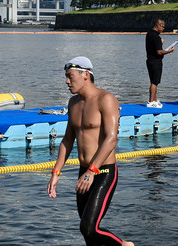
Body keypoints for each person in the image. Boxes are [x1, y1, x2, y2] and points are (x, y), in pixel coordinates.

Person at [47, 57, 134, 246]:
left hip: (103, 172)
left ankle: (124, 245)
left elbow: (111, 139)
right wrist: (56, 173)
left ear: (85, 75)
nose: (66, 81)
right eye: (66, 77)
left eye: (70, 77)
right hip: (84, 171)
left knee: (89, 227)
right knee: (88, 234)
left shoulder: (106, 99)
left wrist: (91, 170)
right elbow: (68, 140)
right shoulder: (73, 103)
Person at [145, 18, 173, 108]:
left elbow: (153, 46)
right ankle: (151, 101)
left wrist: (160, 43)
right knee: (154, 82)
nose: (164, 29)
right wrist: (169, 51)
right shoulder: (156, 36)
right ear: (159, 25)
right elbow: (159, 52)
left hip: (150, 60)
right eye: (163, 26)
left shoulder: (149, 33)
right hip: (155, 61)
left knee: (154, 81)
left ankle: (154, 100)